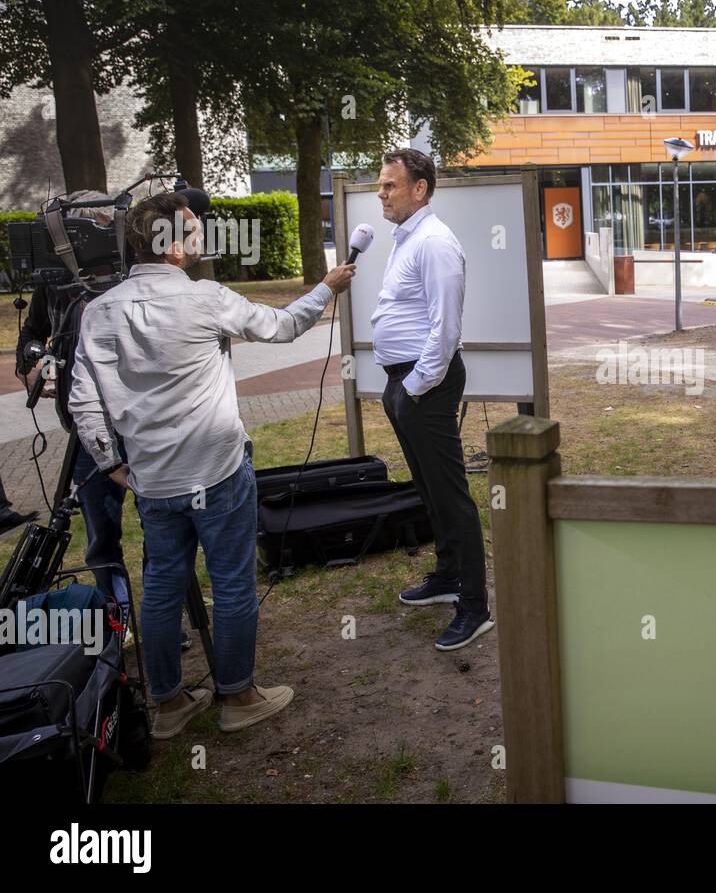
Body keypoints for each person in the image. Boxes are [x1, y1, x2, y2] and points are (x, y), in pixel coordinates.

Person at [68, 190, 356, 739]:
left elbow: (83, 399)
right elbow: (284, 326)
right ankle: (238, 696)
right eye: (196, 229)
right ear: (173, 246)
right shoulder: (205, 298)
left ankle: (169, 702)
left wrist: (111, 465)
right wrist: (327, 287)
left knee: (161, 587)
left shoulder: (99, 310)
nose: (205, 237)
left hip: (151, 478)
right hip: (217, 471)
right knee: (231, 584)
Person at [372, 148, 493, 652]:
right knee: (428, 487)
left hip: (426, 384)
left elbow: (445, 330)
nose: (381, 193)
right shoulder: (407, 239)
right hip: (406, 383)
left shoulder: (435, 243)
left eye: (389, 185)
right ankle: (446, 577)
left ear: (419, 188)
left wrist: (414, 389)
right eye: (381, 184)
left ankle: (475, 606)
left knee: (450, 493)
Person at [16, 190, 132, 622]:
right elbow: (32, 334)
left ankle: (163, 613)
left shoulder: (136, 269)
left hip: (144, 422)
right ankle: (120, 616)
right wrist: (32, 363)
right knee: (102, 535)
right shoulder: (54, 277)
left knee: (162, 522)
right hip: (86, 430)